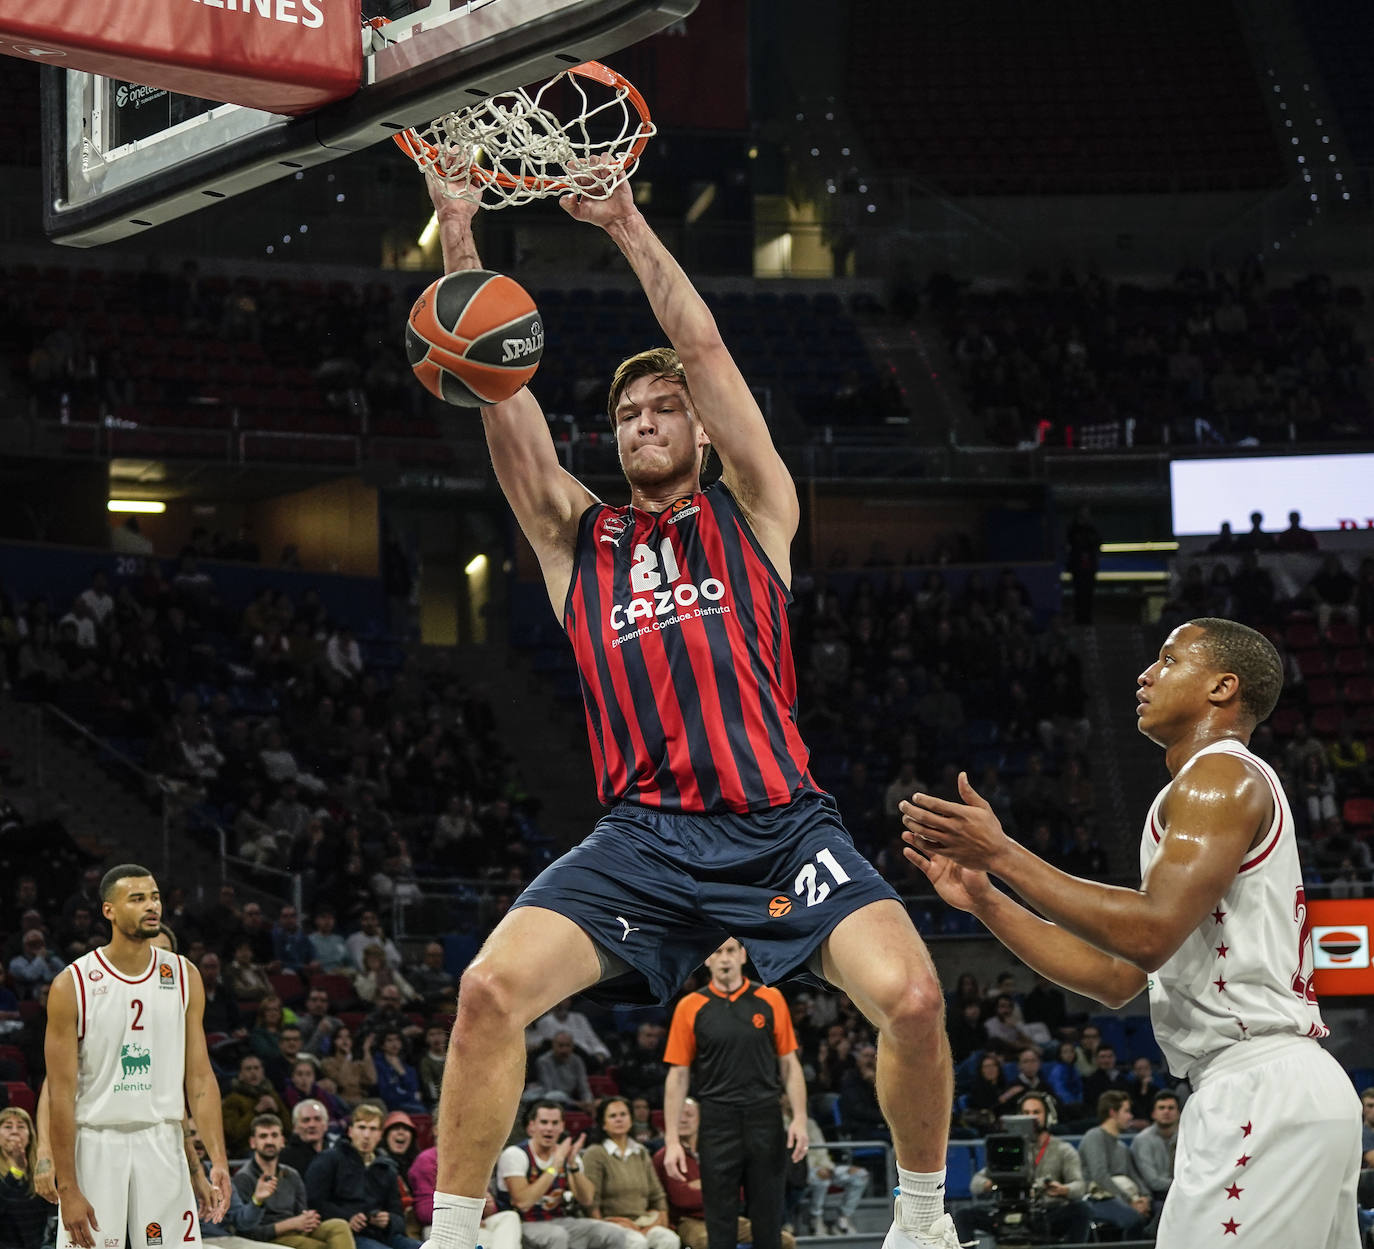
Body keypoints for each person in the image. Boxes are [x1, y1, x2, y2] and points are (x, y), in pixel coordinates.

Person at [420, 166, 958, 1249]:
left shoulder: (754, 511)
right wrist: (461, 235)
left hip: (780, 827)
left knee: (912, 999)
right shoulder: (582, 542)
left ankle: (922, 1221)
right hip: (644, 841)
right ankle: (450, 1233)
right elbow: (498, 386)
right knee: (485, 991)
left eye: (665, 409)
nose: (644, 421)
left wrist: (621, 220)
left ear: (706, 435)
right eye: (626, 413)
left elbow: (706, 354)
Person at [901, 616, 1361, 1247]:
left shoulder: (1219, 777)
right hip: (1276, 1089)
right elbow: (1119, 977)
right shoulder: (1202, 788)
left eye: (1170, 661)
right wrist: (987, 901)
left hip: (1262, 1090)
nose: (1146, 674)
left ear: (1223, 688)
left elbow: (1149, 932)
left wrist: (1004, 854)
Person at [44, 863, 232, 1249]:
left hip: (161, 1140)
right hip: (96, 1142)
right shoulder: (72, 984)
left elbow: (198, 1078)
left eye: (156, 897)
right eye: (138, 898)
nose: (152, 907)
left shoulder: (184, 975)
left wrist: (219, 1160)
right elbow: (59, 1094)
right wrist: (67, 1186)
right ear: (109, 910)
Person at [660, 939, 806, 1249]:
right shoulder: (690, 1006)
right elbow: (678, 1074)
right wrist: (672, 1139)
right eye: (716, 952)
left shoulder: (770, 997)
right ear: (707, 960)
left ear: (742, 955)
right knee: (719, 1218)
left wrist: (800, 1119)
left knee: (768, 1216)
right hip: (716, 1119)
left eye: (729, 951)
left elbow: (789, 1064)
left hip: (765, 1116)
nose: (724, 958)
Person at [953, 1091, 1091, 1247]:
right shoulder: (1009, 1146)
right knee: (964, 1216)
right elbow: (976, 1184)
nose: (1031, 1118)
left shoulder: (1063, 1149)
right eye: (1026, 1113)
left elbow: (1079, 1186)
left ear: (1049, 1116)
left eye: (1036, 1112)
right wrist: (991, 1182)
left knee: (1081, 1209)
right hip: (1006, 1212)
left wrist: (1063, 1190)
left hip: (1045, 1213)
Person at [652, 1098, 793, 1249]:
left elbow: (739, 1193)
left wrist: (699, 1185)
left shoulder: (719, 1152)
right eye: (678, 1115)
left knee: (784, 1240)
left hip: (727, 1217)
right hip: (688, 1220)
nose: (683, 1120)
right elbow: (682, 1199)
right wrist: (715, 1185)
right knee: (709, 1242)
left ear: (701, 1118)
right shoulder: (665, 1156)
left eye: (689, 1115)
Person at [494, 1099, 619, 1249]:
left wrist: (572, 1165)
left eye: (554, 1123)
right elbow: (523, 1203)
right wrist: (555, 1165)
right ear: (532, 1126)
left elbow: (587, 1200)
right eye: (544, 1122)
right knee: (557, 1236)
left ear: (562, 1127)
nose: (549, 1128)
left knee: (611, 1233)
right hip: (520, 1223)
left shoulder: (567, 1154)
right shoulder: (515, 1154)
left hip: (559, 1220)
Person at [304, 1104, 419, 1249]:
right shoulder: (329, 1159)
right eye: (361, 1127)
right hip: (348, 1234)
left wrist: (388, 1220)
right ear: (350, 1131)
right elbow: (314, 1202)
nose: (366, 1135)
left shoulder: (387, 1167)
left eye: (372, 1129)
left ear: (380, 1135)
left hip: (383, 1234)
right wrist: (348, 1217)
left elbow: (398, 1216)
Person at [232, 1112, 352, 1249]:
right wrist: (291, 1224)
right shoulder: (243, 1178)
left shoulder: (291, 1174)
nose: (269, 1141)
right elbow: (246, 1231)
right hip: (270, 1238)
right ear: (253, 1143)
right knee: (320, 1247)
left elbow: (301, 1212)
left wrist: (308, 1219)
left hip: (297, 1230)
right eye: (263, 1136)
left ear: (282, 1141)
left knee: (339, 1226)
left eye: (274, 1135)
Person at [579, 1097, 678, 1249]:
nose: (619, 1119)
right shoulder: (595, 1154)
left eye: (623, 1114)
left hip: (644, 1221)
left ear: (631, 1119)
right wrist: (603, 1228)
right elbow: (592, 1202)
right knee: (636, 1244)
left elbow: (657, 1195)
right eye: (613, 1116)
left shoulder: (641, 1152)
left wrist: (660, 1221)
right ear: (603, 1124)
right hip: (611, 1223)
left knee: (669, 1240)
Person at [1077, 1092, 1155, 1237]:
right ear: (1113, 1112)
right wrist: (1129, 1201)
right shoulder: (1094, 1136)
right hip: (1097, 1198)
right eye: (1126, 1111)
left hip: (1122, 1197)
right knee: (1133, 1218)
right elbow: (1100, 1176)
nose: (1130, 1116)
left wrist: (1145, 1198)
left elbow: (1134, 1176)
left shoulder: (1122, 1147)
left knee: (1160, 1212)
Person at [409, 1146, 519, 1249]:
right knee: (487, 1238)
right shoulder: (427, 1159)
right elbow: (423, 1211)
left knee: (510, 1217)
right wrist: (465, 1213)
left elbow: (488, 1208)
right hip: (443, 1226)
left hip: (477, 1221)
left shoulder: (472, 1158)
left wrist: (489, 1207)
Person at [0, 1106, 51, 1249]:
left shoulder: (42, 1170)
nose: (15, 1131)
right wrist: (16, 1170)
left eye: (21, 1126)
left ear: (30, 1135)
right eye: (8, 1126)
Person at [1131, 1089, 1180, 1204]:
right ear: (1153, 1114)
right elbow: (1153, 1182)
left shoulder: (1186, 1137)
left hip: (1181, 1193)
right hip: (1155, 1197)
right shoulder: (1142, 1140)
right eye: (1161, 1108)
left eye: (1171, 1108)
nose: (1166, 1111)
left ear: (1179, 1114)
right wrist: (1186, 1184)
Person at [532, 1033, 594, 1111]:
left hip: (572, 1101)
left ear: (572, 1046)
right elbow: (549, 1090)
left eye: (568, 1045)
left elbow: (584, 1087)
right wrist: (575, 1103)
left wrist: (588, 1102)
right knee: (553, 1096)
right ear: (553, 1046)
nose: (564, 1050)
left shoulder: (577, 1061)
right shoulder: (543, 1062)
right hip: (549, 1100)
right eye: (561, 1046)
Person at [281, 1100, 341, 1178]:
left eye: (317, 1119)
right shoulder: (284, 1158)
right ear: (295, 1127)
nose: (312, 1125)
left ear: (326, 1125)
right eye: (306, 1120)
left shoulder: (337, 1154)